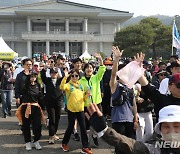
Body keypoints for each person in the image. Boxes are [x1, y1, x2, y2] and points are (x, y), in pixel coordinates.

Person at [85, 103, 180, 154]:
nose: (172, 130)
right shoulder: (157, 149)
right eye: (166, 126)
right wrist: (104, 130)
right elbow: (130, 144)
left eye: (177, 126)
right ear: (160, 129)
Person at [109, 46, 138, 154]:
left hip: (130, 120)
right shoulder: (115, 85)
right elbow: (113, 74)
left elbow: (133, 103)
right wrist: (116, 59)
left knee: (130, 145)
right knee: (120, 145)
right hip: (118, 119)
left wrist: (135, 118)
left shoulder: (130, 86)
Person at [60, 69, 92, 154]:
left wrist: (87, 95)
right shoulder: (68, 85)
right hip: (72, 110)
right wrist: (65, 77)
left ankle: (85, 146)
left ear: (79, 76)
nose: (74, 77)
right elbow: (61, 87)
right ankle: (64, 143)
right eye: (73, 75)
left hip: (80, 110)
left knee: (83, 128)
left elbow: (83, 99)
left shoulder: (81, 86)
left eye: (76, 75)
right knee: (70, 128)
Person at [79, 53, 106, 147]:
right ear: (84, 70)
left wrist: (101, 60)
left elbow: (102, 70)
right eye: (87, 68)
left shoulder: (96, 78)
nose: (89, 69)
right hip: (86, 105)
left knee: (97, 124)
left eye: (90, 67)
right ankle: (86, 143)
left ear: (93, 69)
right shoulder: (80, 81)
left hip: (96, 104)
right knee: (86, 124)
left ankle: (95, 136)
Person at [15, 71, 45, 151]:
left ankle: (36, 141)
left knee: (37, 126)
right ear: (29, 77)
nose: (33, 78)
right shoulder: (25, 86)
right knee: (26, 126)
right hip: (26, 107)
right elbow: (18, 91)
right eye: (31, 76)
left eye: (34, 77)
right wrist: (17, 97)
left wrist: (43, 108)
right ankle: (27, 142)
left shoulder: (38, 86)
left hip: (35, 107)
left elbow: (40, 98)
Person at [40, 67, 63, 144]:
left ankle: (54, 133)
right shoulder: (47, 80)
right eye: (52, 73)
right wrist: (44, 68)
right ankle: (51, 136)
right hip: (50, 102)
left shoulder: (60, 81)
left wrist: (62, 69)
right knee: (52, 119)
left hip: (58, 102)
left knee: (57, 118)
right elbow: (42, 76)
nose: (54, 74)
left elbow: (67, 77)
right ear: (50, 74)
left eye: (55, 73)